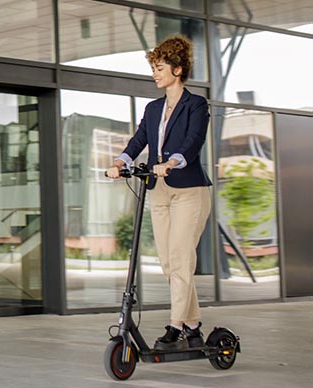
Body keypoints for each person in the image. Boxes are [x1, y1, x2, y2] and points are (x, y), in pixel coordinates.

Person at [107, 35, 211, 351]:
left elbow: (193, 141)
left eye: (160, 67)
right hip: (159, 191)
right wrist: (121, 161)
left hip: (189, 189)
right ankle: (193, 325)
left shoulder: (196, 104)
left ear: (177, 70)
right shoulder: (153, 108)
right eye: (154, 68)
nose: (155, 73)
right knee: (168, 263)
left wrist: (172, 162)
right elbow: (140, 140)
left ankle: (176, 325)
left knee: (180, 258)